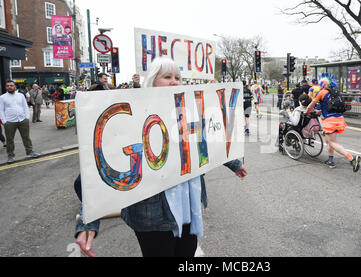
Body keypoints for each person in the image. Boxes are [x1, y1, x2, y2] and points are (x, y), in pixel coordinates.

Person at [75, 58, 248, 257]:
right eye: (167, 77)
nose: (174, 82)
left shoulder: (186, 111)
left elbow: (204, 141)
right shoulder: (134, 116)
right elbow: (94, 178)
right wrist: (87, 222)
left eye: (177, 77)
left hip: (187, 207)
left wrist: (233, 163)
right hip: (151, 217)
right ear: (152, 81)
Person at [305, 73, 361, 172]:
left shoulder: (322, 93)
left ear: (323, 84)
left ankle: (352, 158)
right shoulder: (335, 92)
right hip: (339, 119)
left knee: (331, 142)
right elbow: (330, 106)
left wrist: (306, 112)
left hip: (329, 121)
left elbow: (311, 105)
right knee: (329, 141)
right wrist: (320, 111)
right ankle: (330, 161)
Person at [0, 80, 39, 163]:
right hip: (10, 122)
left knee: (26, 137)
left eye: (11, 85)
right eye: (8, 86)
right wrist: (4, 121)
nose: (9, 87)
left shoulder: (20, 95)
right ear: (6, 87)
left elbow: (25, 106)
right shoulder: (2, 97)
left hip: (22, 120)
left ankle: (30, 152)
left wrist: (27, 117)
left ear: (15, 87)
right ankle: (10, 156)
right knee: (10, 140)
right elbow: (1, 110)